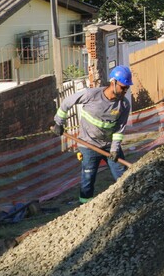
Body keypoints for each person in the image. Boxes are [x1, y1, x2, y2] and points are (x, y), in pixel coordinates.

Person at [51, 65, 132, 203]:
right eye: (123, 87)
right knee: (88, 178)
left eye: (127, 88)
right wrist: (59, 123)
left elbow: (119, 130)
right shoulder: (91, 95)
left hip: (108, 146)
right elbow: (67, 103)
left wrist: (114, 149)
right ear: (113, 82)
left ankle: (130, 200)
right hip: (88, 144)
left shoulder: (124, 105)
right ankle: (84, 206)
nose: (125, 91)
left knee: (123, 175)